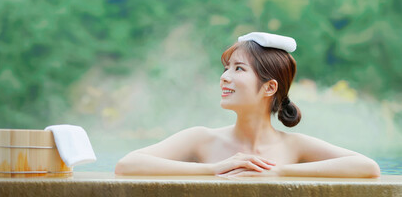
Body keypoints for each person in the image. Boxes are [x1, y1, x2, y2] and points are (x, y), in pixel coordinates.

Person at [115, 32, 381, 178]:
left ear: (269, 87)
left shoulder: (293, 146)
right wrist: (212, 169)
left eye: (238, 69)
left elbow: (368, 167)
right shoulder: (201, 139)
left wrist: (280, 172)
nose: (224, 77)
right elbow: (126, 165)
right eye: (226, 68)